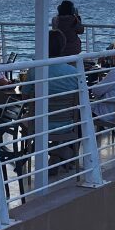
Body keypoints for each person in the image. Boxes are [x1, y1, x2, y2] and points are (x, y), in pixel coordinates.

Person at [23, 29, 80, 173]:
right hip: (66, 123)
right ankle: (59, 153)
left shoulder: (35, 70)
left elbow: (25, 96)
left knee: (25, 118)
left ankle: (51, 154)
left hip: (39, 123)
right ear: (63, 46)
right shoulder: (73, 71)